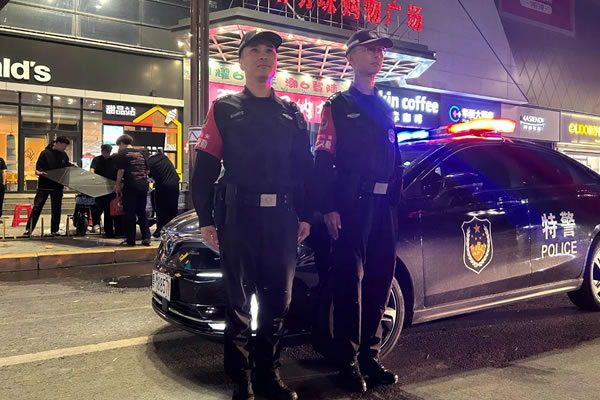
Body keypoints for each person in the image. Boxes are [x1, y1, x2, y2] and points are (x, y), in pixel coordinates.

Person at [192, 30, 312, 400]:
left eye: (270, 51)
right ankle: (240, 379)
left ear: (276, 62)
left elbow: (304, 169)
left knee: (278, 302)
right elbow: (205, 167)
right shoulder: (224, 108)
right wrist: (205, 218)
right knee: (239, 303)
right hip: (238, 217)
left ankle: (268, 376)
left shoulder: (292, 113)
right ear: (242, 62)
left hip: (281, 219)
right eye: (255, 50)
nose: (263, 56)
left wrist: (306, 214)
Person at [312, 30, 402, 393]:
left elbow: (395, 157)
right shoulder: (338, 105)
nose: (377, 55)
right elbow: (323, 159)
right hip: (352, 207)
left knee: (380, 280)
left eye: (380, 50)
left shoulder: (384, 106)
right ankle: (346, 360)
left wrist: (395, 201)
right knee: (349, 283)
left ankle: (369, 356)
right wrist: (329, 207)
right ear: (350, 58)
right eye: (369, 50)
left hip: (383, 208)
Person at [24, 136, 72, 237]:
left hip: (57, 186)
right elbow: (38, 169)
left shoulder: (63, 155)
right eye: (64, 146)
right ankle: (28, 230)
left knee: (56, 209)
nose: (65, 148)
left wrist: (73, 167)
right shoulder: (45, 153)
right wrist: (39, 172)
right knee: (37, 207)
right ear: (58, 143)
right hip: (44, 185)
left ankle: (54, 230)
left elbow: (66, 166)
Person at [113, 134, 151, 246]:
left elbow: (121, 170)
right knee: (141, 212)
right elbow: (147, 170)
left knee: (130, 213)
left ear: (121, 143)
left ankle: (131, 240)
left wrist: (117, 184)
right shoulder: (141, 153)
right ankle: (146, 237)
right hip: (143, 186)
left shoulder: (123, 153)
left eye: (119, 145)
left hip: (131, 186)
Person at [90, 144, 122, 238]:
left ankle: (111, 232)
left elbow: (119, 171)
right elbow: (92, 169)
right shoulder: (97, 159)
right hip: (100, 188)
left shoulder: (114, 160)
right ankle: (103, 228)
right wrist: (93, 177)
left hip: (111, 188)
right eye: (104, 152)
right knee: (100, 208)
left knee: (110, 210)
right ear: (102, 151)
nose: (106, 154)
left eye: (107, 152)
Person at [147, 150, 180, 238]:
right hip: (175, 184)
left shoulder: (149, 163)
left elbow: (148, 176)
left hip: (163, 186)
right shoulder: (163, 157)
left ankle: (160, 230)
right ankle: (172, 230)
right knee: (172, 208)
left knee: (161, 209)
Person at [0, 156, 6, 221]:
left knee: (0, 201)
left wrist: (3, 183)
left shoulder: (1, 160)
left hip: (0, 184)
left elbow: (3, 172)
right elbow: (3, 172)